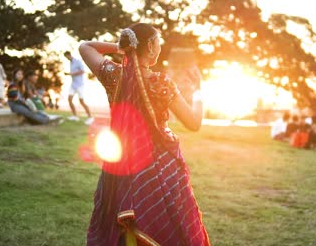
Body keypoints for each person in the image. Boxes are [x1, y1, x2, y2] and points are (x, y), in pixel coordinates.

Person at [79, 23, 210, 245]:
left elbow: (86, 47)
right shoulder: (161, 83)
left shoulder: (114, 76)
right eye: (158, 43)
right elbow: (194, 122)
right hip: (160, 167)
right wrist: (199, 91)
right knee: (167, 225)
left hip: (122, 164)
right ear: (150, 46)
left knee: (125, 225)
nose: (159, 48)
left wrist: (125, 48)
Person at [64, 51, 94, 125]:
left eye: (67, 56)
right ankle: (75, 116)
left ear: (69, 55)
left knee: (81, 101)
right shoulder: (70, 63)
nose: (66, 58)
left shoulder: (77, 61)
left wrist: (71, 74)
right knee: (69, 99)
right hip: (73, 85)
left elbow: (82, 71)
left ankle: (90, 117)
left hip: (80, 85)